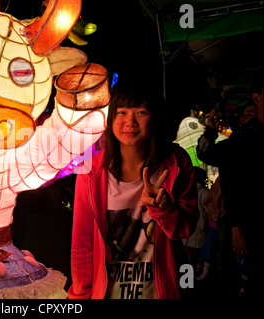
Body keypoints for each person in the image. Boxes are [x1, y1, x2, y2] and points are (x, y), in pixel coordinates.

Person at [68, 77, 199, 299]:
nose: (130, 122)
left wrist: (163, 209)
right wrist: (80, 295)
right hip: (108, 293)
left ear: (155, 117)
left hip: (160, 291)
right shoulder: (91, 172)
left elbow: (185, 230)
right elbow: (82, 242)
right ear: (110, 118)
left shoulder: (176, 163)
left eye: (141, 112)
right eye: (121, 112)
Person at [197, 69, 263, 298]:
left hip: (241, 224)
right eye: (245, 114)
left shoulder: (246, 137)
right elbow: (210, 157)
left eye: (250, 115)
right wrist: (236, 228)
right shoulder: (244, 138)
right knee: (232, 272)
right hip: (241, 224)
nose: (246, 119)